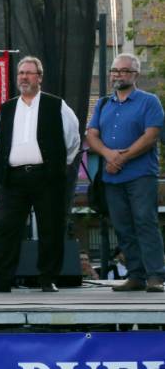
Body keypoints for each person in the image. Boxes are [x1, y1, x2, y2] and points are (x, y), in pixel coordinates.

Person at [0, 56, 80, 293]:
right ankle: (2, 280)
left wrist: (57, 164)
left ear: (39, 77)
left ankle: (48, 278)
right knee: (7, 229)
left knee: (50, 228)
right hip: (14, 178)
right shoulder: (6, 109)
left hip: (46, 177)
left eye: (29, 73)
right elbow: (0, 142)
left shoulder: (56, 105)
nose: (24, 77)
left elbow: (72, 139)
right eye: (21, 73)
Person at [86, 53, 165, 293]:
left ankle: (156, 276)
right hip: (112, 177)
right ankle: (136, 275)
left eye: (123, 71)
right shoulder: (103, 104)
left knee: (145, 222)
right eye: (114, 70)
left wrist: (122, 157)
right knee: (122, 227)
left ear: (135, 75)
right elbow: (91, 135)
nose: (117, 75)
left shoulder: (149, 101)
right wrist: (108, 154)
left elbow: (151, 135)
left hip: (141, 175)